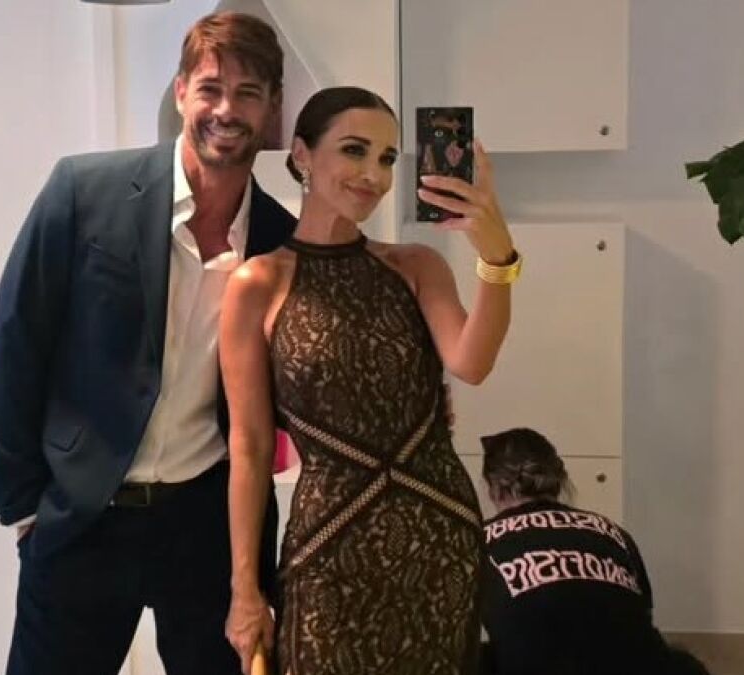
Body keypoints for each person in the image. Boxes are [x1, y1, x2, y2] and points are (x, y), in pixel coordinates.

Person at [0, 12, 296, 674]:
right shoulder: (83, 191)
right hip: (82, 518)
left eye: (248, 93)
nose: (226, 110)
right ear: (181, 92)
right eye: (210, 88)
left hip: (208, 528)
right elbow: (15, 345)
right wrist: (24, 506)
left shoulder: (281, 242)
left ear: (271, 111)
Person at [220, 86, 521, 674]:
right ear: (302, 155)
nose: (374, 175)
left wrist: (497, 257)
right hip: (327, 547)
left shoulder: (415, 266)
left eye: (386, 158)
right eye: (354, 150)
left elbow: (472, 362)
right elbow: (249, 446)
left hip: (439, 536)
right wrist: (244, 590)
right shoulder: (258, 283)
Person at [477, 428, 710, 675]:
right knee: (682, 661)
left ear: (493, 488)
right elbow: (642, 612)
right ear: (559, 480)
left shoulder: (479, 538)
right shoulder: (613, 532)